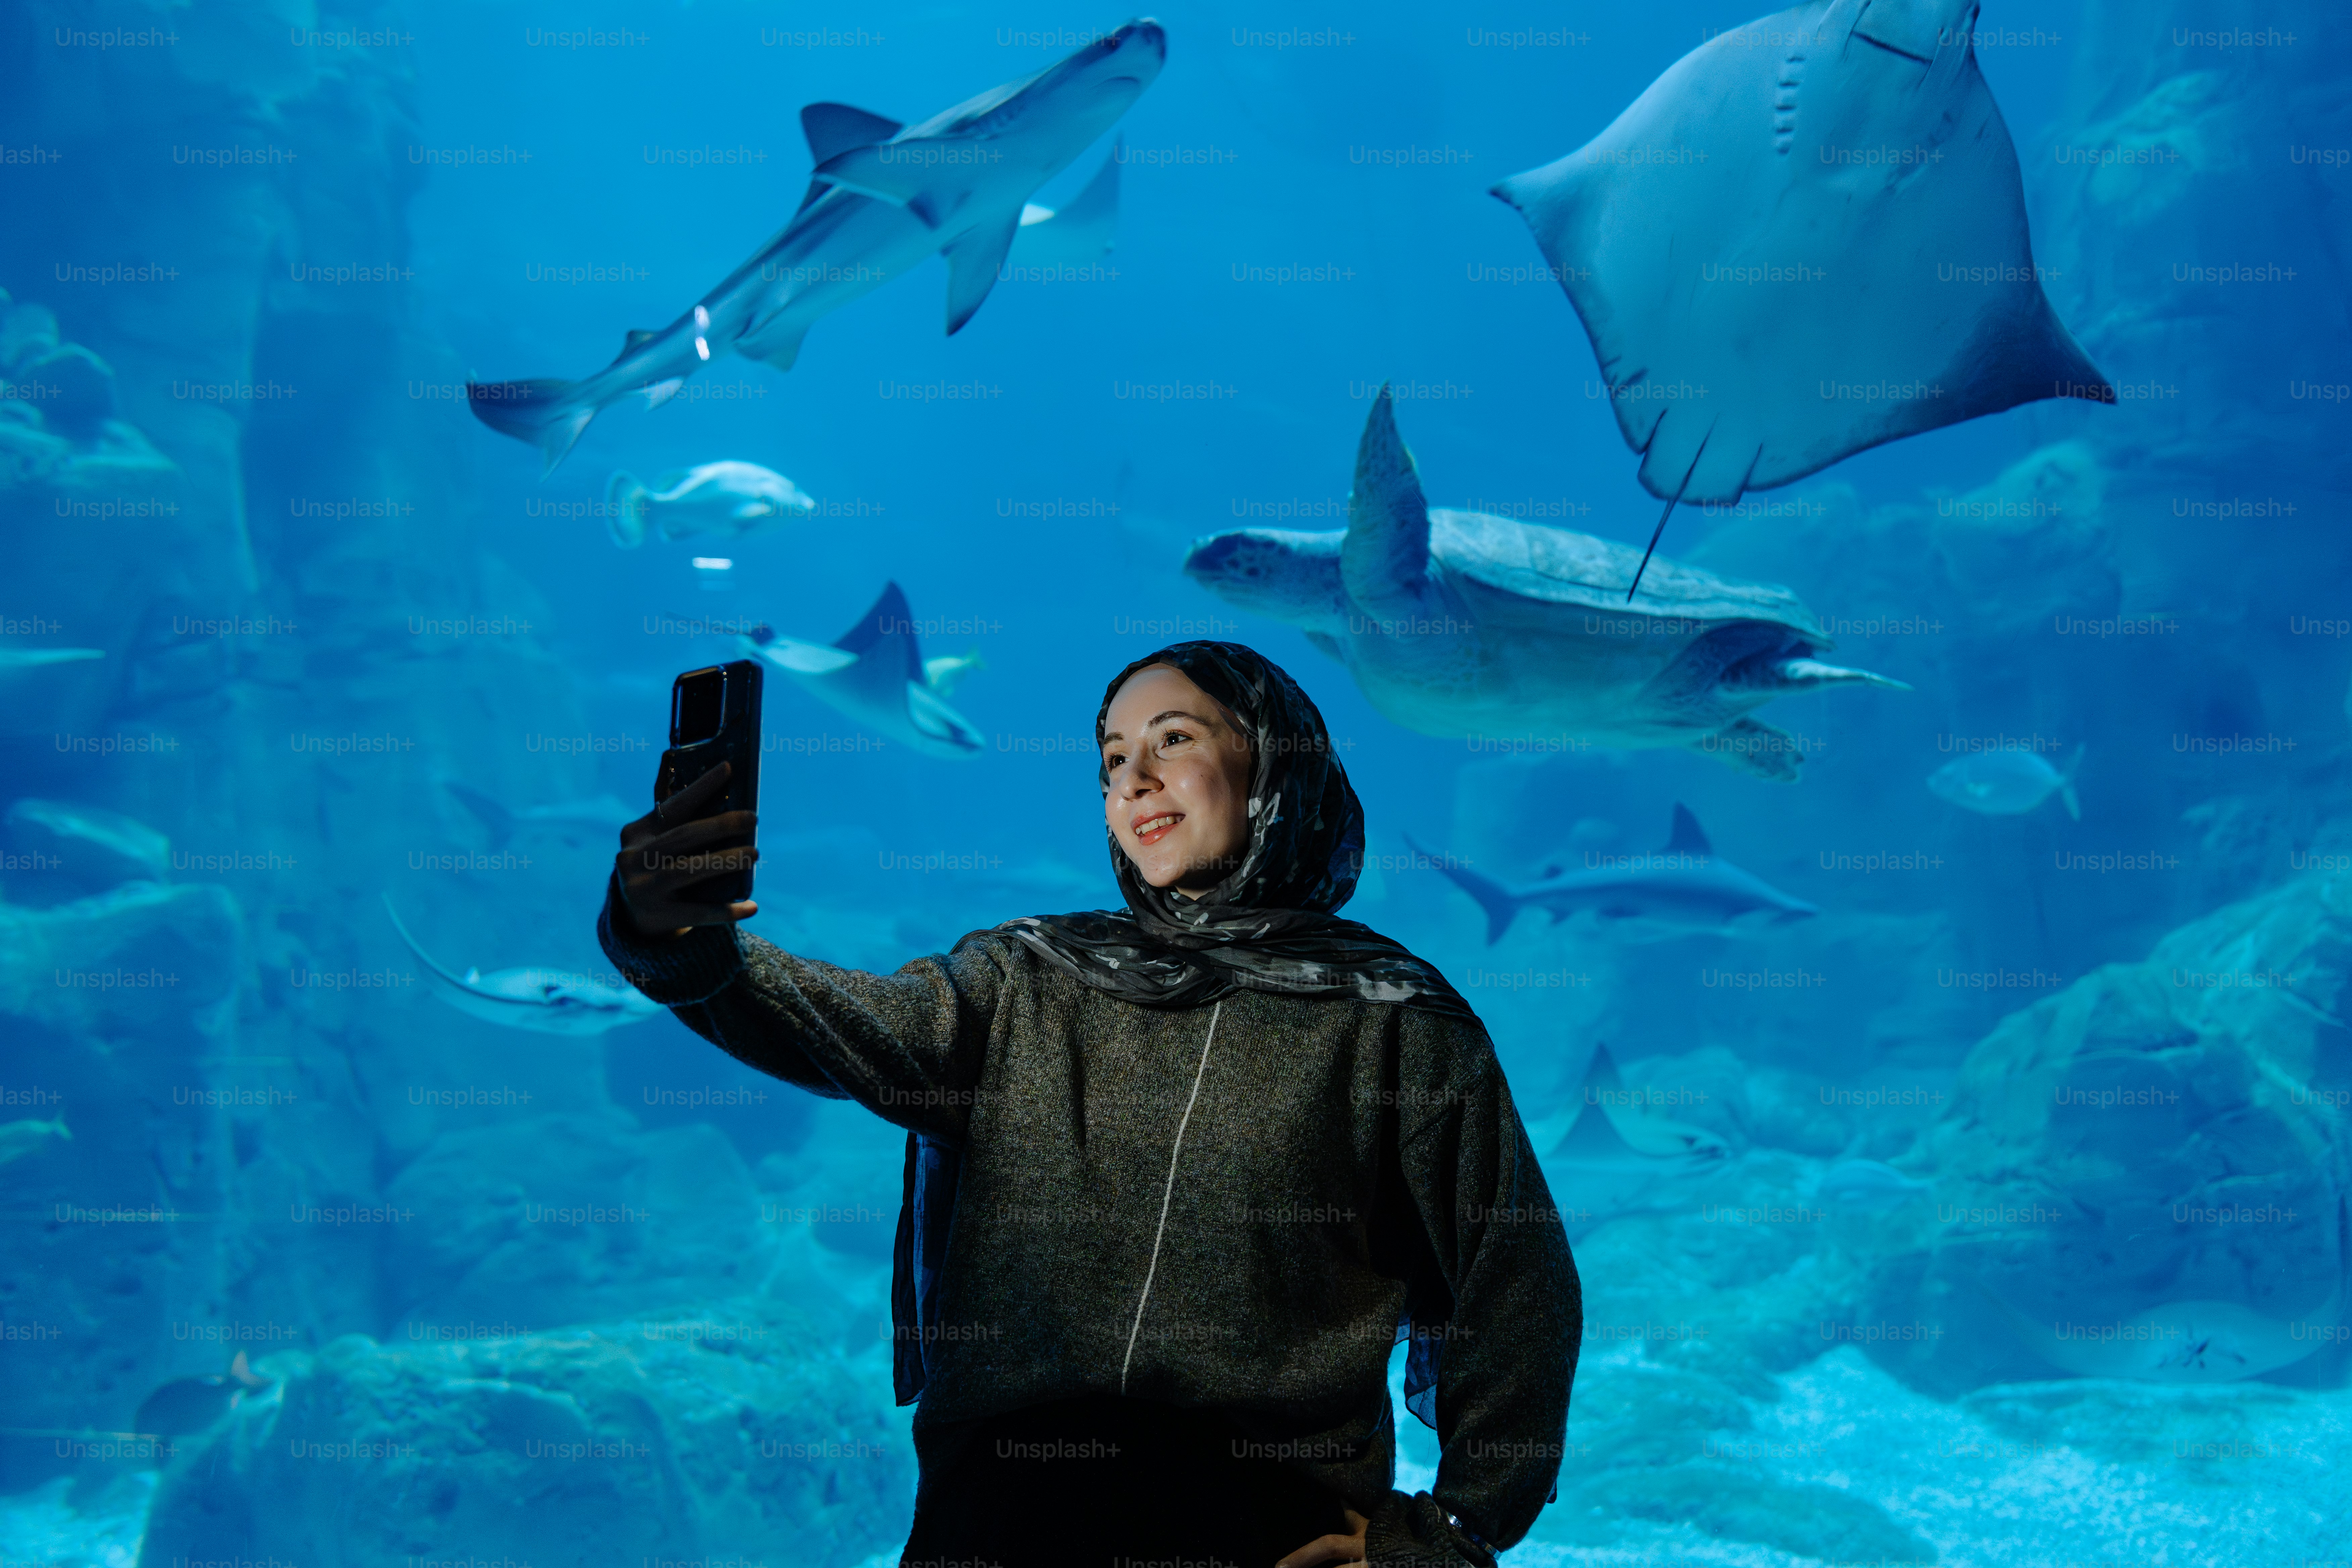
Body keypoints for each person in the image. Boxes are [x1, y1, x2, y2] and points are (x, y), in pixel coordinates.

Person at [599, 641, 1579, 1568]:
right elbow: (826, 1026)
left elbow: (1518, 1276)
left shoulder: (1395, 1021)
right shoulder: (1024, 979)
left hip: (1263, 1528)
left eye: (1175, 739)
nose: (1134, 779)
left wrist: (1453, 1527)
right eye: (1114, 756)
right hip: (997, 1519)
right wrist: (673, 931)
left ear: (1275, 761)